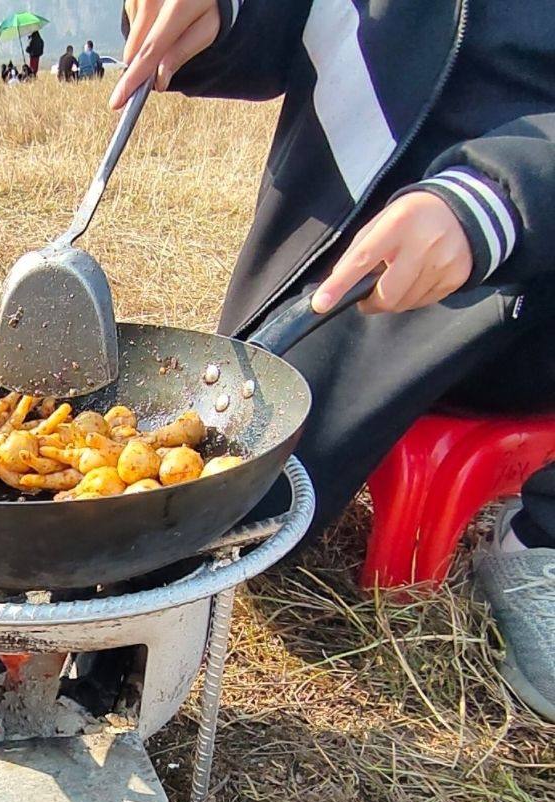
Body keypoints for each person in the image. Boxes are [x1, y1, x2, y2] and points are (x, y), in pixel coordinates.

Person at [112, 1, 555, 720]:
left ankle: (542, 540)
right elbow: (284, 31)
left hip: (536, 286)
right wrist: (221, 15)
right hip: (347, 260)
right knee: (246, 506)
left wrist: (501, 197)